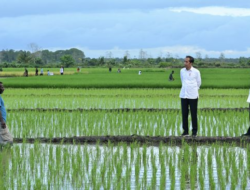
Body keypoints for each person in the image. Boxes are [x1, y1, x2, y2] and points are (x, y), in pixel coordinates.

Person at [180, 56, 201, 137]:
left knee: (193, 114)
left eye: (186, 62)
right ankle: (185, 131)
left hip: (193, 96)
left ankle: (194, 132)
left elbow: (199, 83)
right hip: (183, 95)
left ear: (191, 63)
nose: (185, 63)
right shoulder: (182, 71)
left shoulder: (196, 72)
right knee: (184, 114)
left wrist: (193, 90)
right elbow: (183, 81)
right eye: (184, 61)